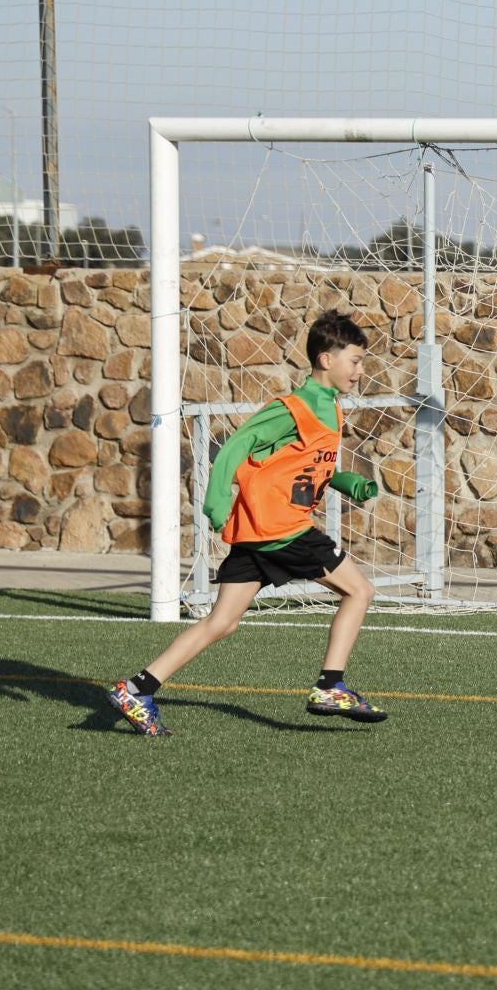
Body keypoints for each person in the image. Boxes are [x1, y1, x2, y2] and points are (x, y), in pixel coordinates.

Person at [106, 311, 387, 736]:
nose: (360, 370)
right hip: (283, 528)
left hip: (261, 530)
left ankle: (136, 689)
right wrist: (217, 503)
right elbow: (237, 445)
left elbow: (307, 468)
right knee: (360, 590)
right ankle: (330, 686)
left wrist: (349, 483)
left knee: (222, 623)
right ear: (326, 360)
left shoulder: (330, 409)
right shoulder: (292, 407)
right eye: (355, 360)